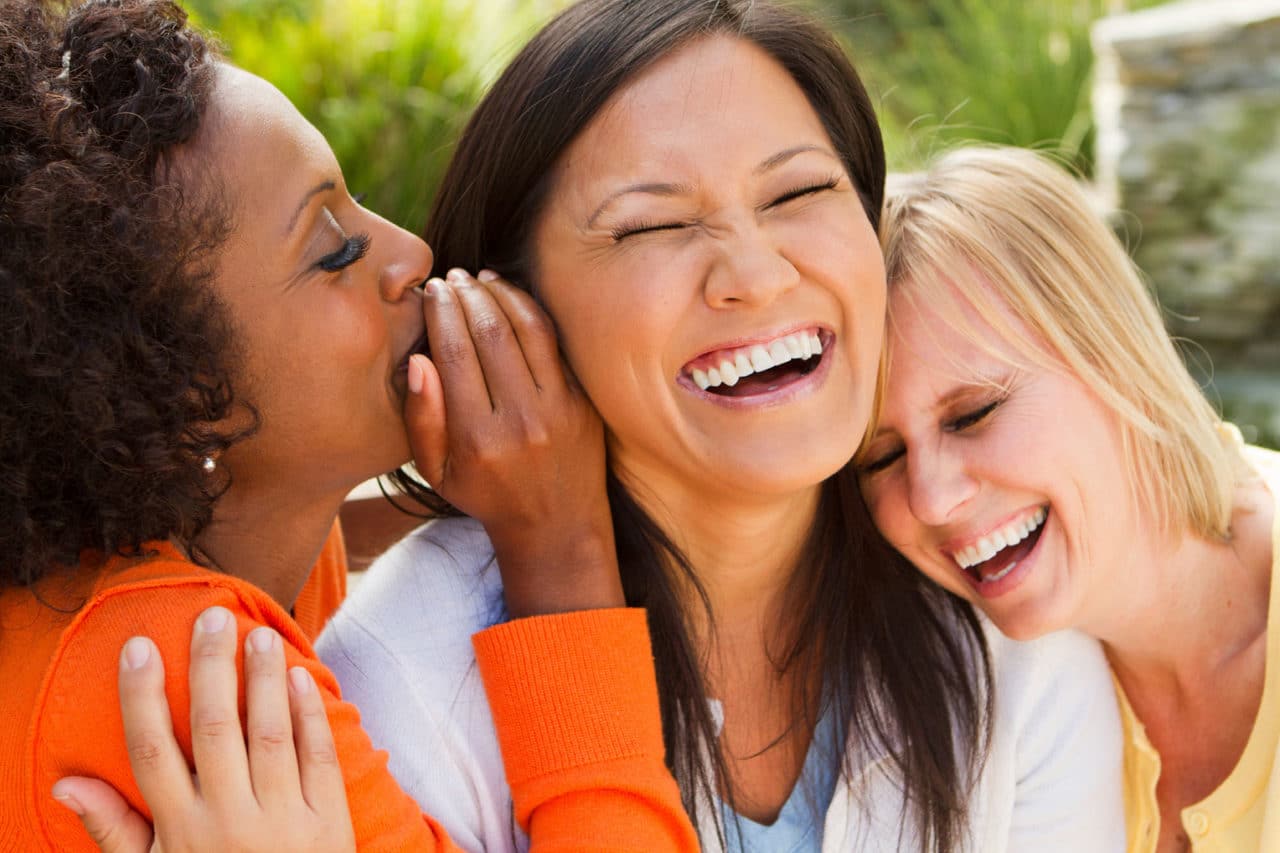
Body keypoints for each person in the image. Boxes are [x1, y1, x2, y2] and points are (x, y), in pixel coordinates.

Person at [317, 1, 1126, 850]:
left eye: (802, 190)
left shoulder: (996, 618)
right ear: (508, 308)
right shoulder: (407, 677)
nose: (756, 273)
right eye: (653, 225)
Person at [0, 0, 700, 849]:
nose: (409, 254)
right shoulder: (197, 670)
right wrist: (561, 549)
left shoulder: (249, 527)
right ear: (177, 388)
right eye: (334, 253)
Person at [859, 144, 1277, 852]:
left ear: (1108, 350)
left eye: (974, 413)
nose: (930, 498)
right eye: (883, 456)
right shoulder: (951, 695)